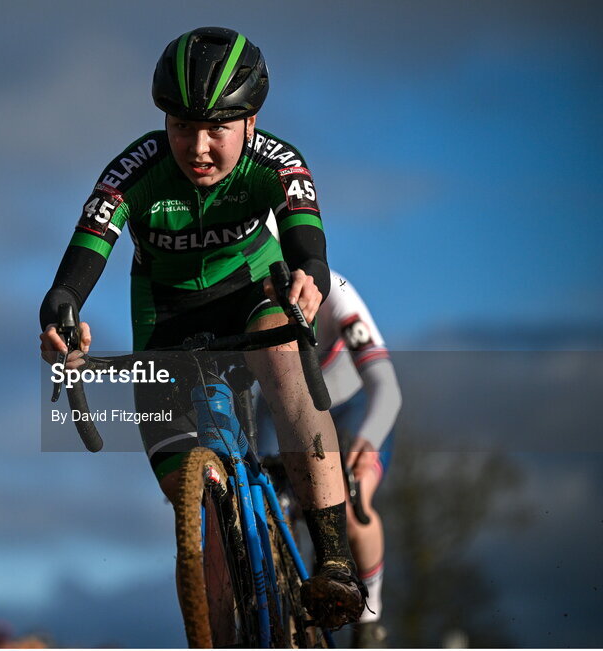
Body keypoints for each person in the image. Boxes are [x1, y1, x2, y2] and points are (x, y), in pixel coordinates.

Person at [39, 26, 364, 630]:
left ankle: (336, 559)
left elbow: (307, 247)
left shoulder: (278, 161)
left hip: (254, 294)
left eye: (217, 127)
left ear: (251, 120)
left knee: (284, 357)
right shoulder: (135, 171)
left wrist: (309, 276)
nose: (199, 147)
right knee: (185, 491)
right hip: (166, 315)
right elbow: (73, 274)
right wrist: (63, 316)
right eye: (183, 126)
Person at [258, 268, 401, 646]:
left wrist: (368, 440)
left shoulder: (338, 295)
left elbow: (387, 389)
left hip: (353, 412)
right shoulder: (253, 286)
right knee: (271, 503)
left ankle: (371, 621)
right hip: (285, 409)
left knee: (354, 507)